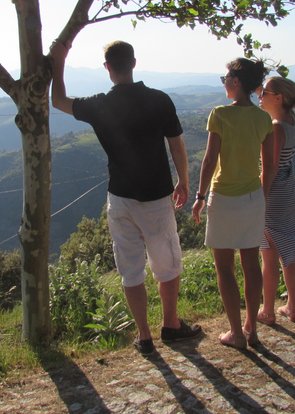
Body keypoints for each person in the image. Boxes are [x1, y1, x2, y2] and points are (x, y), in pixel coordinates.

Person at [50, 39, 203, 355]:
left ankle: (144, 335)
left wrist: (58, 61)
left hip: (119, 198)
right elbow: (176, 145)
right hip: (157, 197)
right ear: (134, 63)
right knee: (168, 264)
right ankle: (171, 325)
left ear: (107, 68)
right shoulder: (159, 100)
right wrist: (184, 180)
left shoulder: (99, 105)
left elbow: (58, 100)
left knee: (130, 268)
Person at [192, 57, 273, 349]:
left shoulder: (220, 114)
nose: (224, 83)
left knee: (224, 268)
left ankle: (236, 334)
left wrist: (200, 198)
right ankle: (252, 329)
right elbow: (270, 165)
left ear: (236, 82)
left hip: (224, 198)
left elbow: (210, 160)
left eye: (225, 79)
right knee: (251, 265)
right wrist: (261, 195)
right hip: (253, 198)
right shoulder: (264, 118)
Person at [256, 76, 295, 324]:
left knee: (269, 256)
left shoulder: (275, 127)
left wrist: (260, 199)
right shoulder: (291, 121)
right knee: (288, 251)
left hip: (273, 195)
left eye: (264, 93)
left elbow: (270, 168)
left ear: (278, 98)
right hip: (289, 190)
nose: (260, 96)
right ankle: (292, 306)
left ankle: (268, 311)